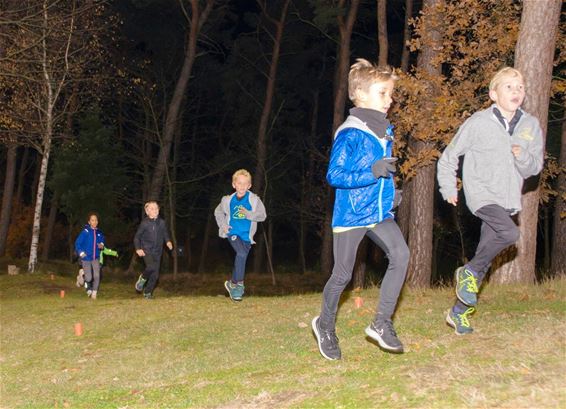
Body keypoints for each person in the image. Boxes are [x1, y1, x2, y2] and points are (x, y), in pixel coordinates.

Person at [312, 59, 410, 360]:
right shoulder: (350, 133)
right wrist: (373, 172)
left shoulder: (383, 130)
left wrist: (391, 193)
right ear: (360, 94)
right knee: (342, 275)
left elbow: (383, 172)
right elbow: (335, 176)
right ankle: (324, 325)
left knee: (402, 255)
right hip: (352, 215)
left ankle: (381, 323)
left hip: (377, 213)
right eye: (383, 94)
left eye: (390, 94)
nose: (389, 100)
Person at [437, 67, 543, 335]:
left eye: (520, 87)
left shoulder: (530, 125)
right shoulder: (478, 122)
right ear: (493, 94)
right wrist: (449, 186)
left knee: (484, 258)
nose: (516, 92)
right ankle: (467, 272)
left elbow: (533, 169)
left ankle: (458, 313)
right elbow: (450, 156)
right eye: (509, 87)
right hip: (481, 193)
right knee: (509, 233)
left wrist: (520, 155)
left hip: (508, 199)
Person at [214, 169, 266, 302]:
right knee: (241, 254)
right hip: (233, 233)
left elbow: (262, 216)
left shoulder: (254, 200)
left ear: (249, 185)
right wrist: (223, 226)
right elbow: (218, 212)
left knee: (240, 258)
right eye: (239, 183)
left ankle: (232, 283)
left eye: (245, 184)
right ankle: (239, 286)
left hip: (247, 237)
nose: (242, 186)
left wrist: (249, 214)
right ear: (234, 184)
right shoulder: (227, 200)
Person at [134, 201, 173, 299]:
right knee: (150, 267)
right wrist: (138, 248)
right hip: (146, 250)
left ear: (158, 210)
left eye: (156, 208)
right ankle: (142, 279)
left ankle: (148, 293)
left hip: (158, 252)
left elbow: (165, 234)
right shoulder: (145, 223)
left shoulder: (162, 223)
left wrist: (168, 242)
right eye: (152, 209)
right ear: (147, 212)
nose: (154, 210)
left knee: (155, 276)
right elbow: (137, 237)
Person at [74, 212, 105, 299]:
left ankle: (94, 293)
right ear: (89, 222)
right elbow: (77, 243)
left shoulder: (99, 233)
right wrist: (81, 253)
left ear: (97, 222)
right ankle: (82, 275)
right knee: (89, 278)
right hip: (86, 258)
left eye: (96, 220)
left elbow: (102, 240)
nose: (94, 222)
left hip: (96, 258)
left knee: (97, 275)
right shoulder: (85, 232)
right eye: (92, 220)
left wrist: (101, 244)